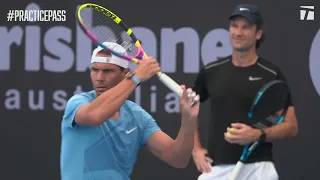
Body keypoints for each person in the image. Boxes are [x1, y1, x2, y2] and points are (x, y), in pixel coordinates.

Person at [60, 42, 200, 180]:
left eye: (108, 71)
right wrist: (136, 77)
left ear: (125, 73)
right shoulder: (78, 103)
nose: (99, 78)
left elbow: (178, 158)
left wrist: (188, 119)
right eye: (95, 70)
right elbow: (95, 116)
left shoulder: (137, 116)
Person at [191, 4, 298, 180]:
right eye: (234, 26)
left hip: (259, 168)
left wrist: (258, 134)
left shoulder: (271, 74)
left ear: (258, 34)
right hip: (217, 168)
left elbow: (291, 126)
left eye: (245, 27)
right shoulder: (211, 72)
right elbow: (189, 110)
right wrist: (195, 148)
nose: (238, 32)